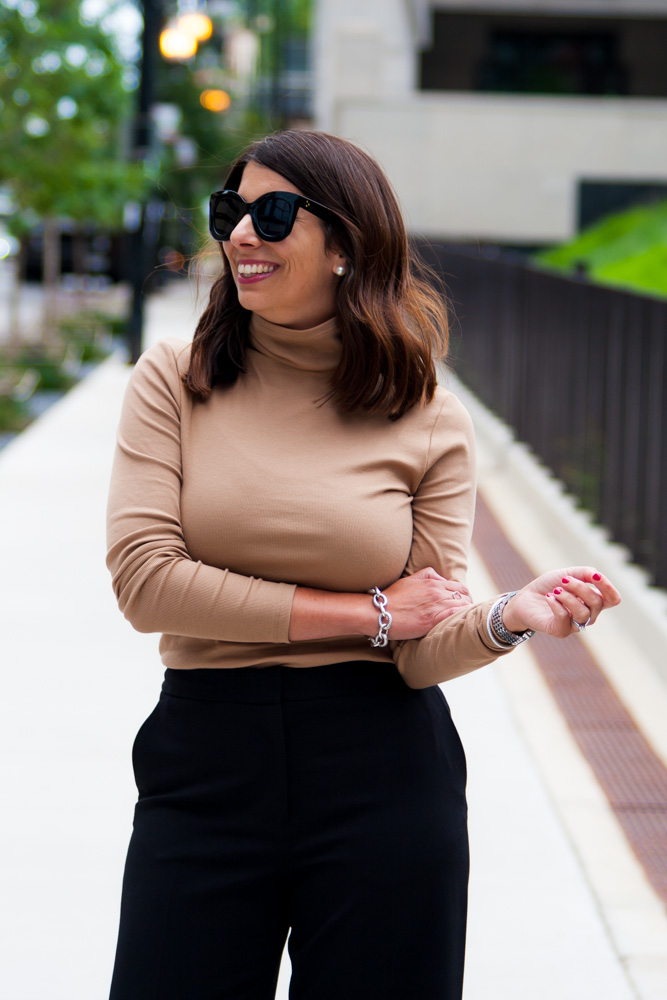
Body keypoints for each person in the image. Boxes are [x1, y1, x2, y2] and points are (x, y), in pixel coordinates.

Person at [105, 129, 621, 1000]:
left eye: (272, 214)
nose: (239, 235)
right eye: (229, 211)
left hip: (381, 771)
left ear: (346, 244)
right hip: (205, 760)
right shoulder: (174, 379)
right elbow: (146, 581)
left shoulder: (424, 413)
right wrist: (365, 614)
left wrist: (506, 617)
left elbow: (423, 646)